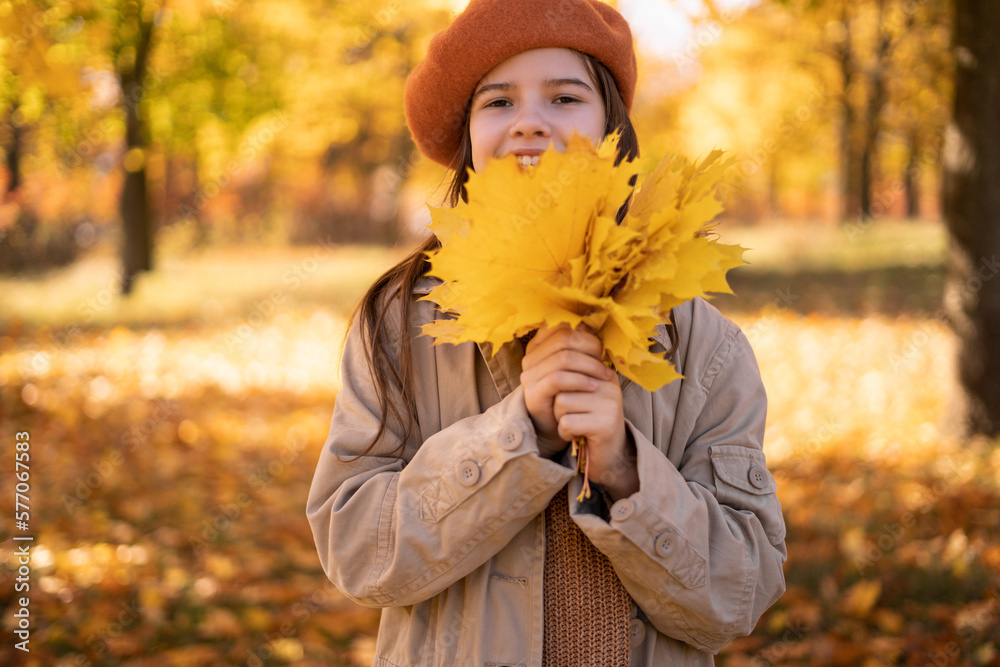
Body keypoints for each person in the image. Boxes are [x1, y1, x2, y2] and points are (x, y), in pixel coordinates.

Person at [306, 0, 787, 664]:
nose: (530, 121)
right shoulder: (402, 323)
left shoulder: (703, 346)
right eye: (497, 103)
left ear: (613, 128)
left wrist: (624, 471)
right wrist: (518, 435)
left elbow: (739, 594)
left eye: (565, 97)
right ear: (469, 139)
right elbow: (357, 551)